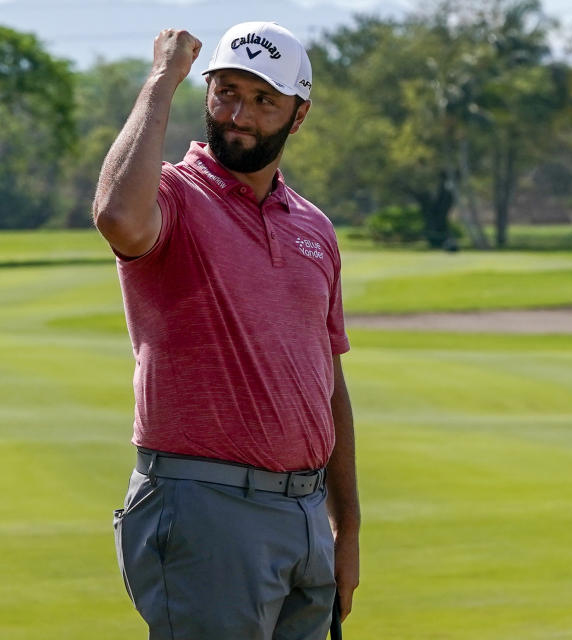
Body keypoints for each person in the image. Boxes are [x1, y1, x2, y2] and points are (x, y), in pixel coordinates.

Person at [94, 21, 359, 640]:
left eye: (265, 100)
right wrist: (163, 78)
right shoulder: (174, 196)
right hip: (206, 506)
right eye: (226, 92)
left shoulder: (314, 227)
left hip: (305, 515)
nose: (240, 114)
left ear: (297, 117)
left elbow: (328, 380)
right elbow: (116, 217)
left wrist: (345, 528)